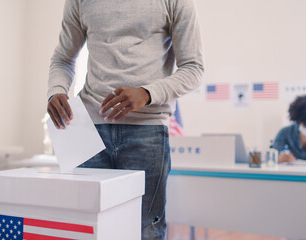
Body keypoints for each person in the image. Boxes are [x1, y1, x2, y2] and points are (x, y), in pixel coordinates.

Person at [46, 0, 203, 239]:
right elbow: (63, 59)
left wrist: (147, 93)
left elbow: (193, 68)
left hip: (147, 130)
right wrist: (57, 90)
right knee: (89, 228)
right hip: (90, 130)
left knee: (146, 230)